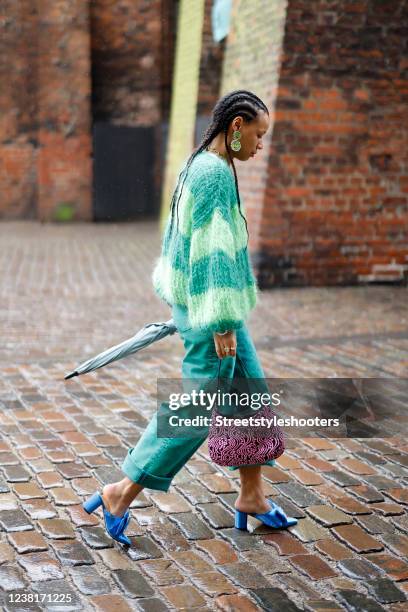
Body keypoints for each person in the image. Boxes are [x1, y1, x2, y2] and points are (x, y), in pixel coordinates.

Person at [82, 90, 297, 546]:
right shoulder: (214, 174)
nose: (261, 145)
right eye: (258, 135)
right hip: (211, 311)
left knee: (249, 396)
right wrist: (220, 321)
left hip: (209, 307)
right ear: (236, 127)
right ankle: (120, 492)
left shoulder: (199, 163)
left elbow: (179, 243)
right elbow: (213, 253)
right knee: (194, 411)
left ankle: (253, 495)